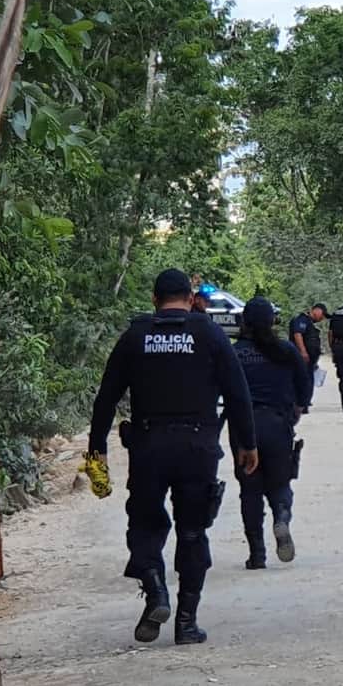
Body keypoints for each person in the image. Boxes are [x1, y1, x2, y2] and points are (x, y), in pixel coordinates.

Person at [85, 269, 258, 646]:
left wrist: (96, 446)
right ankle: (186, 622)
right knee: (193, 531)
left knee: (145, 525)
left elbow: (106, 397)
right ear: (191, 298)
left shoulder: (135, 337)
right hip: (198, 447)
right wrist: (247, 443)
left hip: (148, 446)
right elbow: (238, 393)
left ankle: (156, 589)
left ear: (154, 299)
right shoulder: (209, 334)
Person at [231, 297, 312, 569]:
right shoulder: (286, 350)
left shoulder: (234, 353)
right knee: (279, 484)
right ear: (273, 322)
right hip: (278, 425)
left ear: (244, 322)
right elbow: (304, 384)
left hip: (244, 430)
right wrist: (298, 408)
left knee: (249, 490)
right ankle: (281, 517)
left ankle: (257, 554)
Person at [288, 303, 327, 399]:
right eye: (323, 314)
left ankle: (305, 401)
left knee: (308, 379)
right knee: (303, 379)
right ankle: (301, 401)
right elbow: (298, 334)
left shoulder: (309, 322)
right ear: (316, 310)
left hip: (309, 359)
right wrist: (303, 351)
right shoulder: (302, 320)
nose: (323, 318)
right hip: (302, 358)